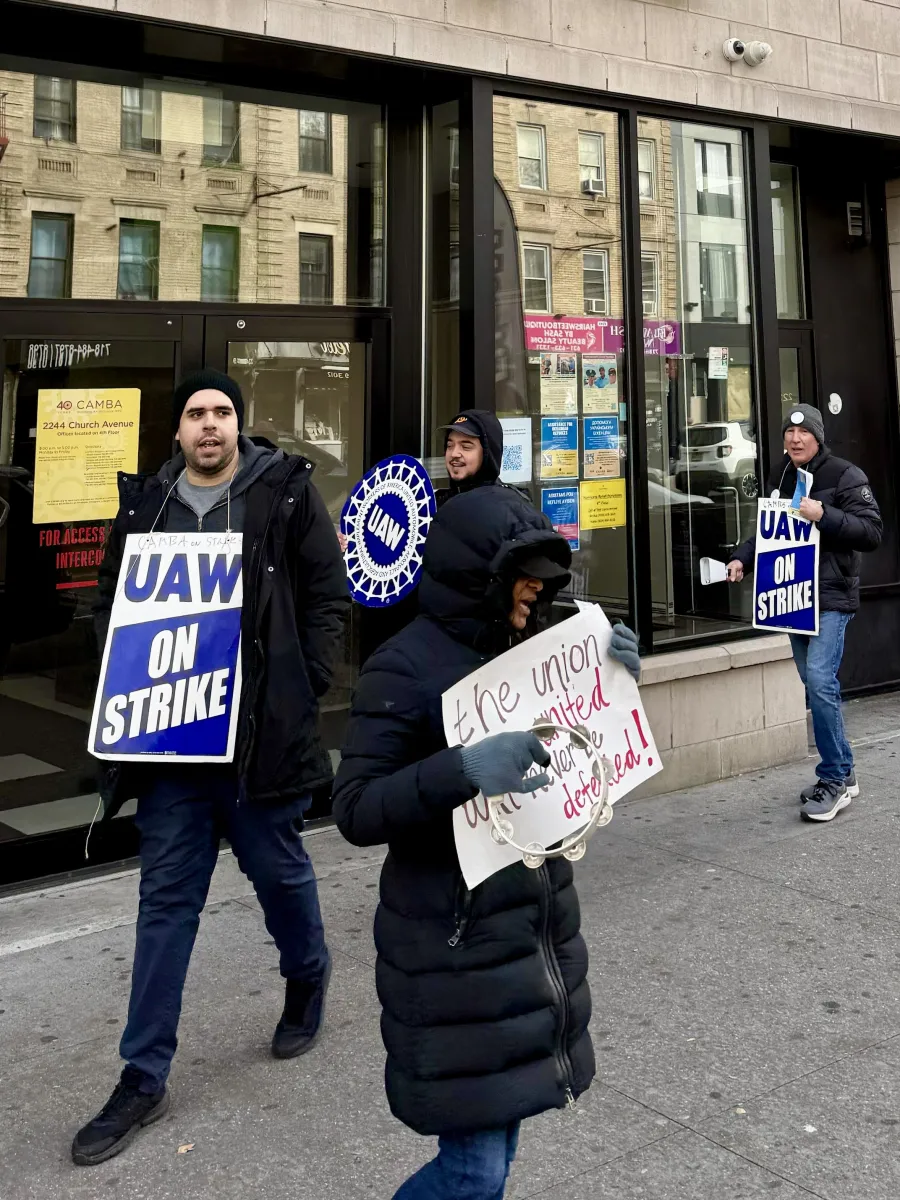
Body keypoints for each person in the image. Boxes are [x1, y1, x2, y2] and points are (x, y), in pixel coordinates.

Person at [332, 486, 642, 1199]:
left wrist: (619, 678)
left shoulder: (534, 648)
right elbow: (355, 808)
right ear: (482, 578)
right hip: (453, 947)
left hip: (527, 938)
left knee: (492, 1156)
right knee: (475, 1170)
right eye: (525, 580)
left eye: (544, 582)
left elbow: (588, 748)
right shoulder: (402, 666)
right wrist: (463, 769)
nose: (538, 593)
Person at [72, 370, 347, 1166]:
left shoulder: (284, 493)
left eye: (222, 412)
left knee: (280, 875)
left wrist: (303, 684)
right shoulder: (147, 505)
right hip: (173, 750)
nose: (210, 425)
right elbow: (110, 600)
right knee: (164, 905)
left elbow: (326, 597)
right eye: (196, 413)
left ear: (238, 425)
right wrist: (122, 678)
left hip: (258, 741)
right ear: (178, 430)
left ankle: (307, 974)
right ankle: (143, 1074)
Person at [727, 404, 882, 822]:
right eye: (789, 433)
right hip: (792, 598)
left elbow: (872, 532)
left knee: (819, 679)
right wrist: (743, 558)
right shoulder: (781, 475)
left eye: (804, 433)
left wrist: (823, 514)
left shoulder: (845, 475)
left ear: (818, 437)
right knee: (814, 686)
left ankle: (833, 780)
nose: (795, 440)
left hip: (831, 596)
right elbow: (768, 530)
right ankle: (844, 771)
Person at [434, 409, 506, 507]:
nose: (454, 454)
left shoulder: (501, 508)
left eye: (466, 447)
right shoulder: (436, 503)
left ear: (488, 454)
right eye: (449, 445)